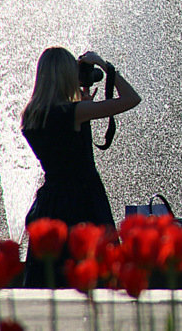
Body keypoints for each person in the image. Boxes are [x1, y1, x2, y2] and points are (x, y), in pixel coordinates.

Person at [20, 47, 141, 287]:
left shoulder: (31, 115)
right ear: (66, 75)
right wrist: (106, 67)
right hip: (83, 202)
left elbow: (62, 147)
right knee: (94, 276)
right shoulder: (74, 113)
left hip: (50, 203)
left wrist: (82, 105)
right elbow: (131, 99)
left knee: (50, 278)